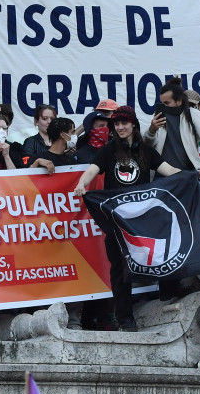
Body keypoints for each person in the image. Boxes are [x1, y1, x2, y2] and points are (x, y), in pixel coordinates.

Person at [73, 106, 191, 332]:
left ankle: (167, 297)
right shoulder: (108, 151)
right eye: (116, 124)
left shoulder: (147, 151)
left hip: (144, 223)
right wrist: (82, 184)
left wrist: (189, 176)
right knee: (119, 271)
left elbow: (168, 171)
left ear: (133, 124)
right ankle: (125, 318)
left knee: (161, 257)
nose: (120, 127)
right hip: (117, 223)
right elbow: (92, 170)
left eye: (124, 123)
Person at [147, 79, 200, 217]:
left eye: (167, 103)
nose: (164, 106)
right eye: (161, 103)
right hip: (162, 180)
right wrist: (151, 130)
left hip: (191, 177)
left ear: (179, 101)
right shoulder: (159, 118)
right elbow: (147, 149)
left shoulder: (192, 114)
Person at [74, 99, 118, 166]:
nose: (102, 115)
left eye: (106, 113)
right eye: (99, 112)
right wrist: (87, 123)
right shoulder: (84, 139)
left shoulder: (120, 140)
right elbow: (69, 141)